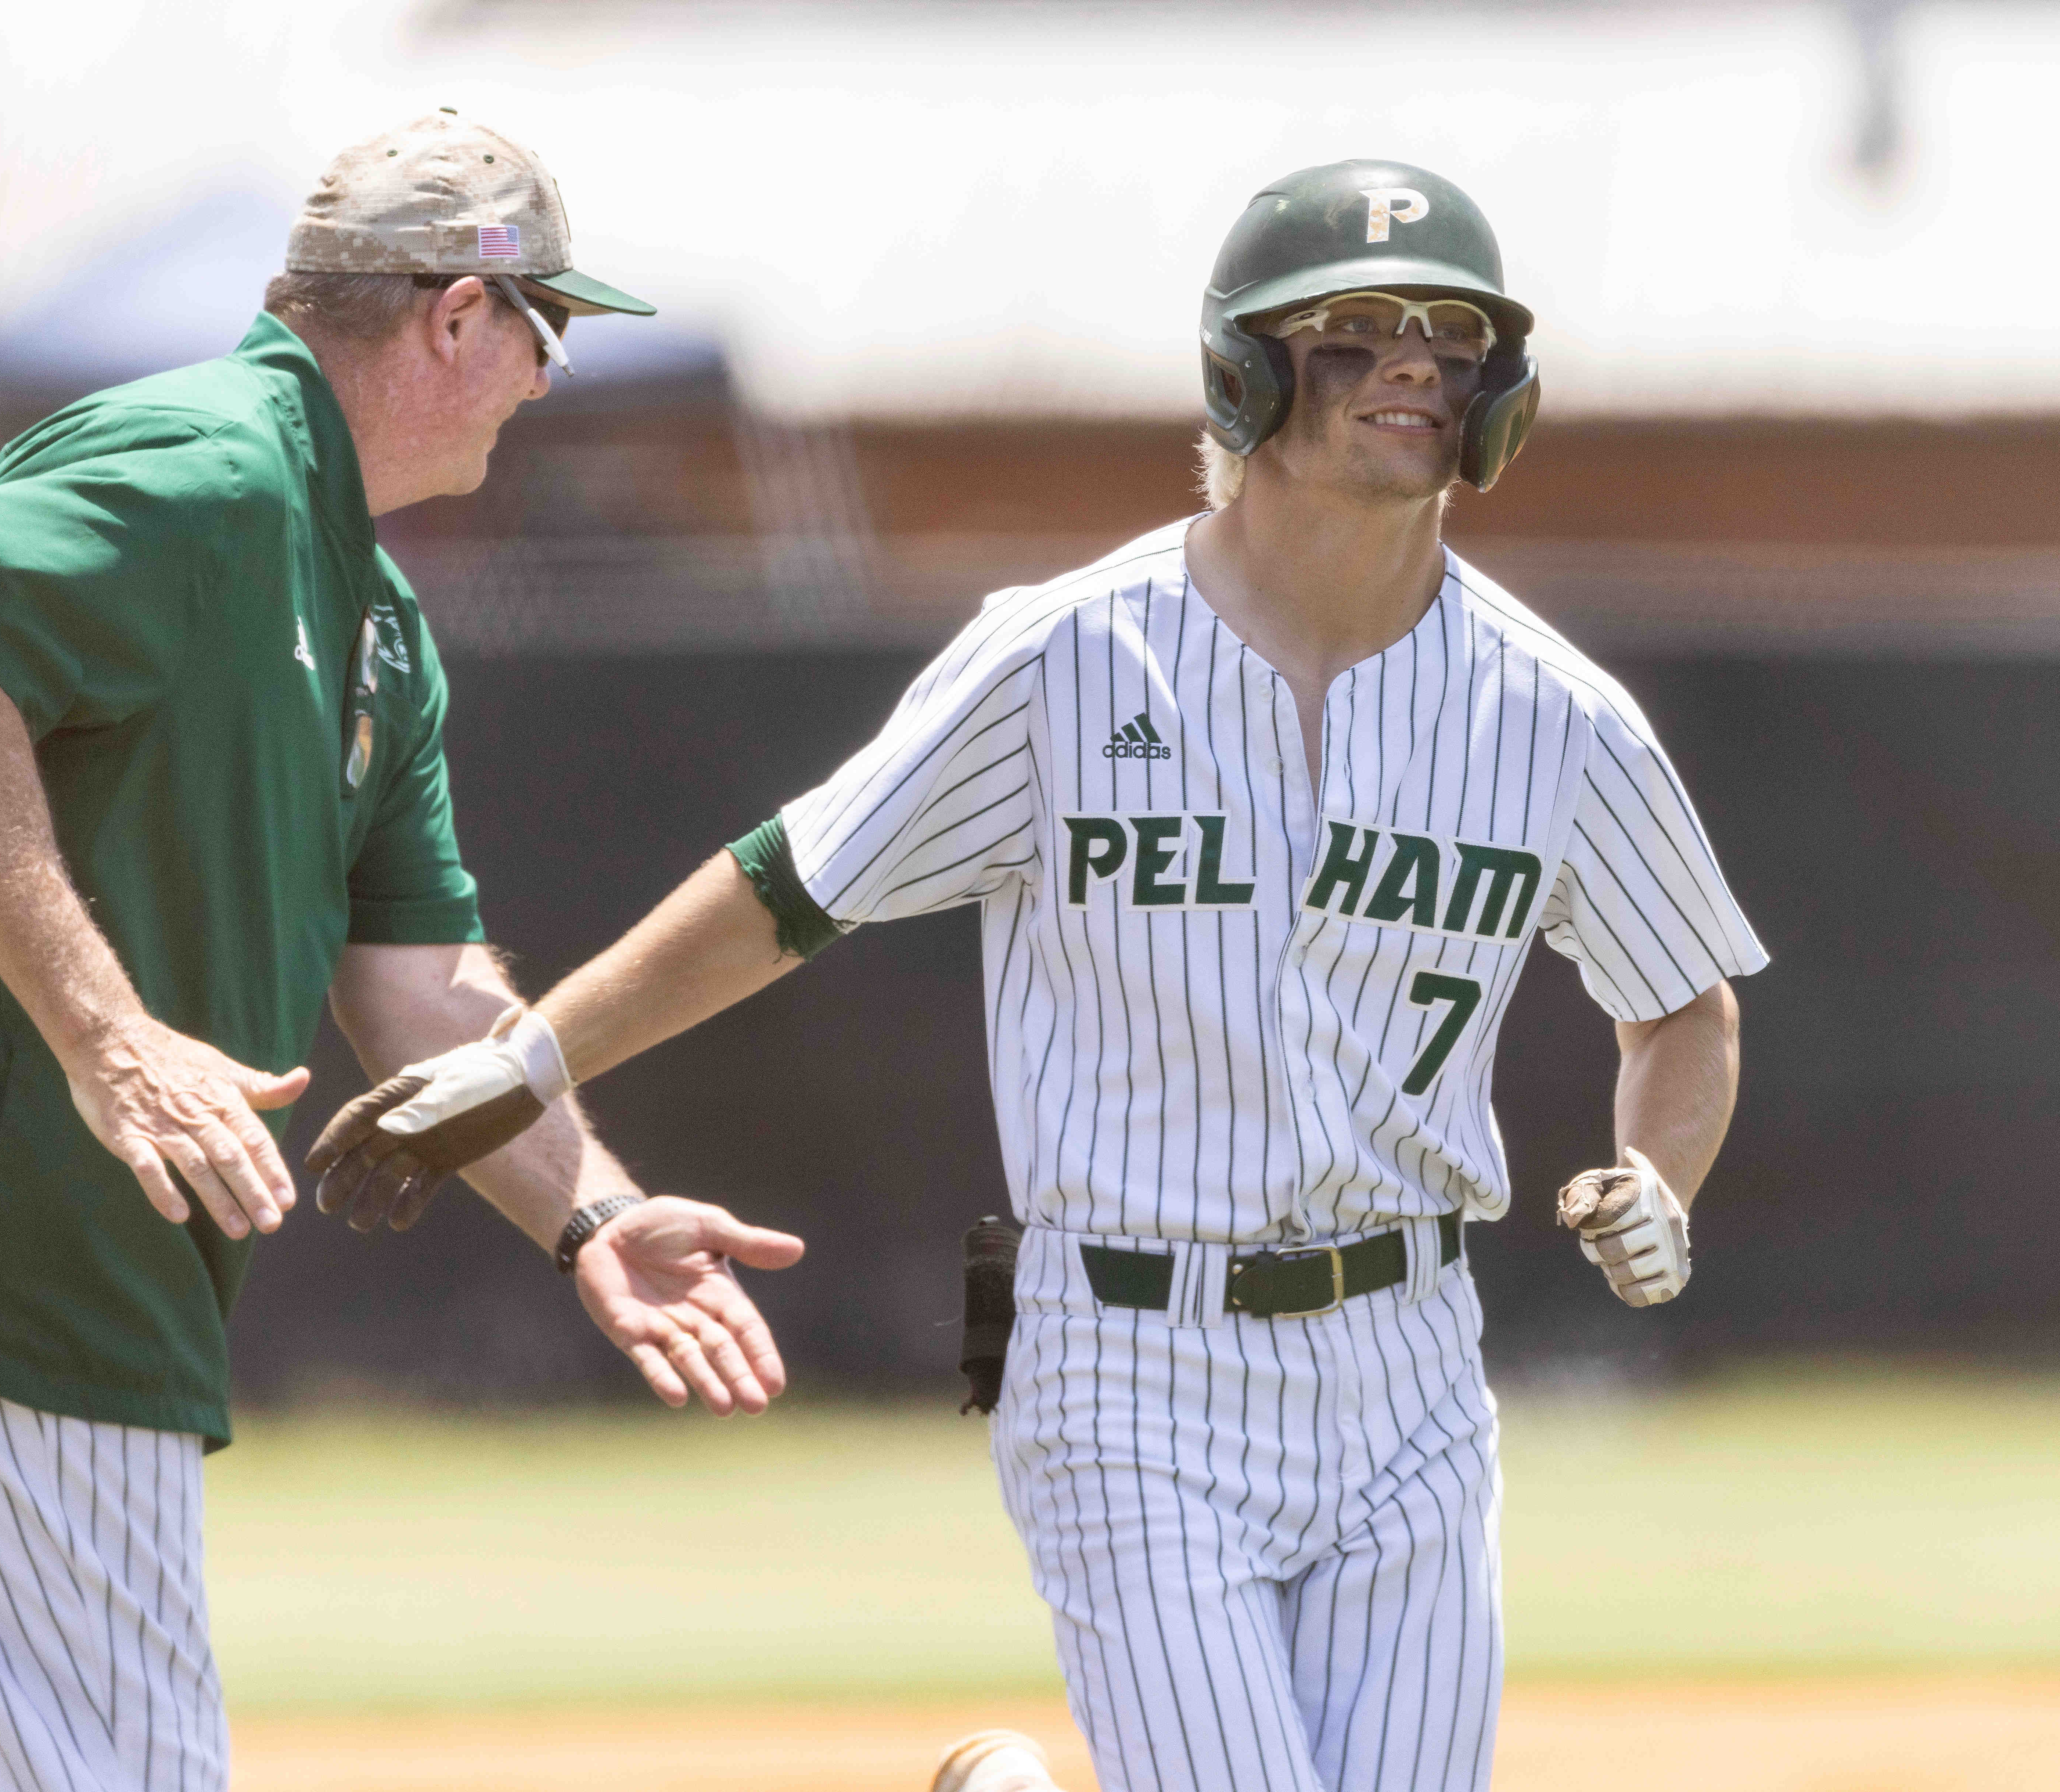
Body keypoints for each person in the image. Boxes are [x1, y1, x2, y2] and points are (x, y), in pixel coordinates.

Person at [307, 159, 1766, 1792]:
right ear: (1244, 366)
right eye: (1351, 331)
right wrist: (528, 1058)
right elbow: (790, 886)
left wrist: (1661, 1173)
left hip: (1409, 1361)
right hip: (1122, 1347)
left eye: (1452, 333)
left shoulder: (1555, 717)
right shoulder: (1064, 655)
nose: (1413, 361)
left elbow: (1680, 997)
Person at [0, 110, 800, 1792]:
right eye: (546, 329)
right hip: (5, 1237)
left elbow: (422, 986)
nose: (545, 377)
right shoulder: (211, 462)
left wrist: (587, 1208)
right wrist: (109, 1034)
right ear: (459, 314)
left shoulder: (373, 614)